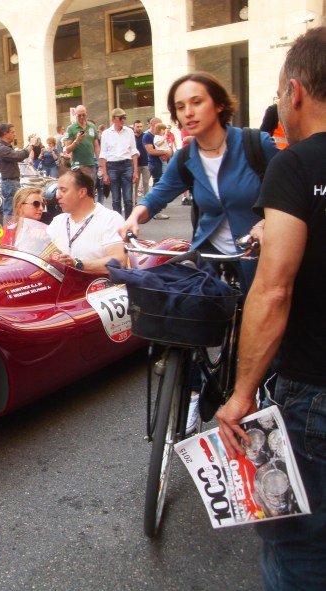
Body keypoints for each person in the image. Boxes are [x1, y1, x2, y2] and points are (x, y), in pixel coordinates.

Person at [215, 26, 326, 590]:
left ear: (294, 92)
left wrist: (240, 395)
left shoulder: (298, 163)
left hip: (315, 389)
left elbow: (273, 290)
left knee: (300, 548)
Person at [119, 71, 278, 432]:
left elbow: (285, 187)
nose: (188, 112)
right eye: (180, 107)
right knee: (186, 324)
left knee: (263, 332)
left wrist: (268, 221)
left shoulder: (256, 144)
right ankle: (192, 394)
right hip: (209, 256)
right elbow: (161, 191)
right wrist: (135, 216)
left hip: (255, 256)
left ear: (219, 104)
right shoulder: (187, 155)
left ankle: (265, 399)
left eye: (197, 102)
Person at [47, 168, 126, 273]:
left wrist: (78, 264)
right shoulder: (58, 221)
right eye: (58, 190)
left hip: (98, 287)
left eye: (63, 190)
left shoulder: (110, 219)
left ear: (82, 192)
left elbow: (119, 261)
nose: (57, 195)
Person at [99, 108, 139, 219]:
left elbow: (134, 151)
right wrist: (105, 173)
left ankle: (129, 223)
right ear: (113, 119)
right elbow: (103, 154)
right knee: (116, 199)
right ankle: (118, 224)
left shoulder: (129, 131)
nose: (123, 120)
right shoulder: (106, 134)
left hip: (127, 165)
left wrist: (135, 171)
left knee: (128, 199)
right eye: (120, 118)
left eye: (124, 118)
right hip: (112, 166)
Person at [0, 123, 31, 216]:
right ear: (5, 133)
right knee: (10, 212)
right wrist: (29, 148)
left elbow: (18, 156)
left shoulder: (5, 148)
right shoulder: (2, 149)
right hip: (10, 183)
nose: (14, 134)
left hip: (11, 182)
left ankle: (12, 229)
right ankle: (8, 230)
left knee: (14, 211)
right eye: (12, 132)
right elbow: (18, 156)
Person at [143, 118, 172, 220]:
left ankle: (155, 209)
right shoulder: (147, 136)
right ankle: (154, 211)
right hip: (154, 163)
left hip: (162, 162)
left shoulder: (160, 136)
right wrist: (165, 152)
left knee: (160, 185)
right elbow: (151, 151)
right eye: (159, 123)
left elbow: (168, 149)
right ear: (153, 124)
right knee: (157, 186)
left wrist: (168, 153)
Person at [63, 105, 100, 180]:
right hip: (78, 165)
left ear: (86, 114)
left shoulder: (92, 127)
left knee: (91, 188)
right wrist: (77, 140)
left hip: (91, 165)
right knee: (78, 189)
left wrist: (100, 164)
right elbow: (68, 149)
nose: (82, 117)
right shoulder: (71, 128)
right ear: (75, 115)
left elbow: (96, 147)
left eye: (83, 115)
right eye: (79, 115)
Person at [133, 120, 150, 205]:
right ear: (134, 127)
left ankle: (146, 201)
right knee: (135, 183)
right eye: (137, 127)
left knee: (146, 183)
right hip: (136, 164)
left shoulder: (145, 136)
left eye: (140, 126)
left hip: (146, 163)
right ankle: (134, 200)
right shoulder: (131, 137)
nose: (139, 128)